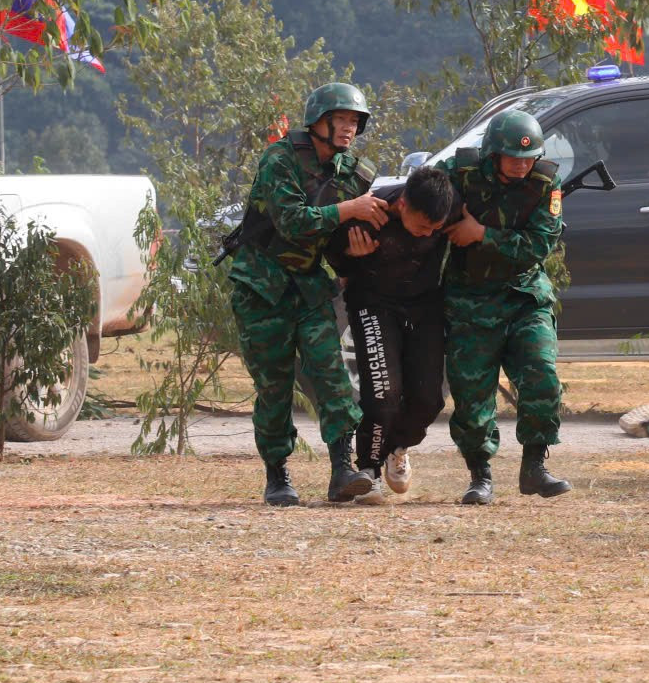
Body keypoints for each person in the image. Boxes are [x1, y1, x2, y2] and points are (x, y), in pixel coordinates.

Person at [227, 82, 389, 507]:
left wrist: (358, 253)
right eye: (342, 119)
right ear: (318, 120)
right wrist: (349, 209)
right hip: (261, 287)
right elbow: (292, 221)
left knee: (332, 377)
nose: (350, 129)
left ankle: (342, 470)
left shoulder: (354, 173)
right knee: (275, 385)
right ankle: (277, 474)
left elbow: (347, 238)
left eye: (356, 121)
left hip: (309, 286)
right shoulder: (279, 159)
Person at [439, 109, 571, 506]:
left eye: (527, 157)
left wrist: (480, 233)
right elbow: (423, 205)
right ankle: (480, 475)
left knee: (542, 377)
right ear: (492, 153)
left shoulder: (547, 183)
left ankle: (534, 466)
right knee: (472, 395)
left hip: (523, 296)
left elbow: (538, 246)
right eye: (512, 156)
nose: (521, 164)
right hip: (469, 300)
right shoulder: (459, 173)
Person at [330, 163, 464, 499]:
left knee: (429, 399)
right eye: (421, 226)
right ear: (403, 204)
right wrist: (350, 254)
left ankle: (398, 448)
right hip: (373, 303)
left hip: (424, 306)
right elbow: (335, 257)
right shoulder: (370, 212)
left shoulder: (451, 207)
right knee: (382, 398)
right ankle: (369, 470)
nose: (426, 234)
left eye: (435, 229)